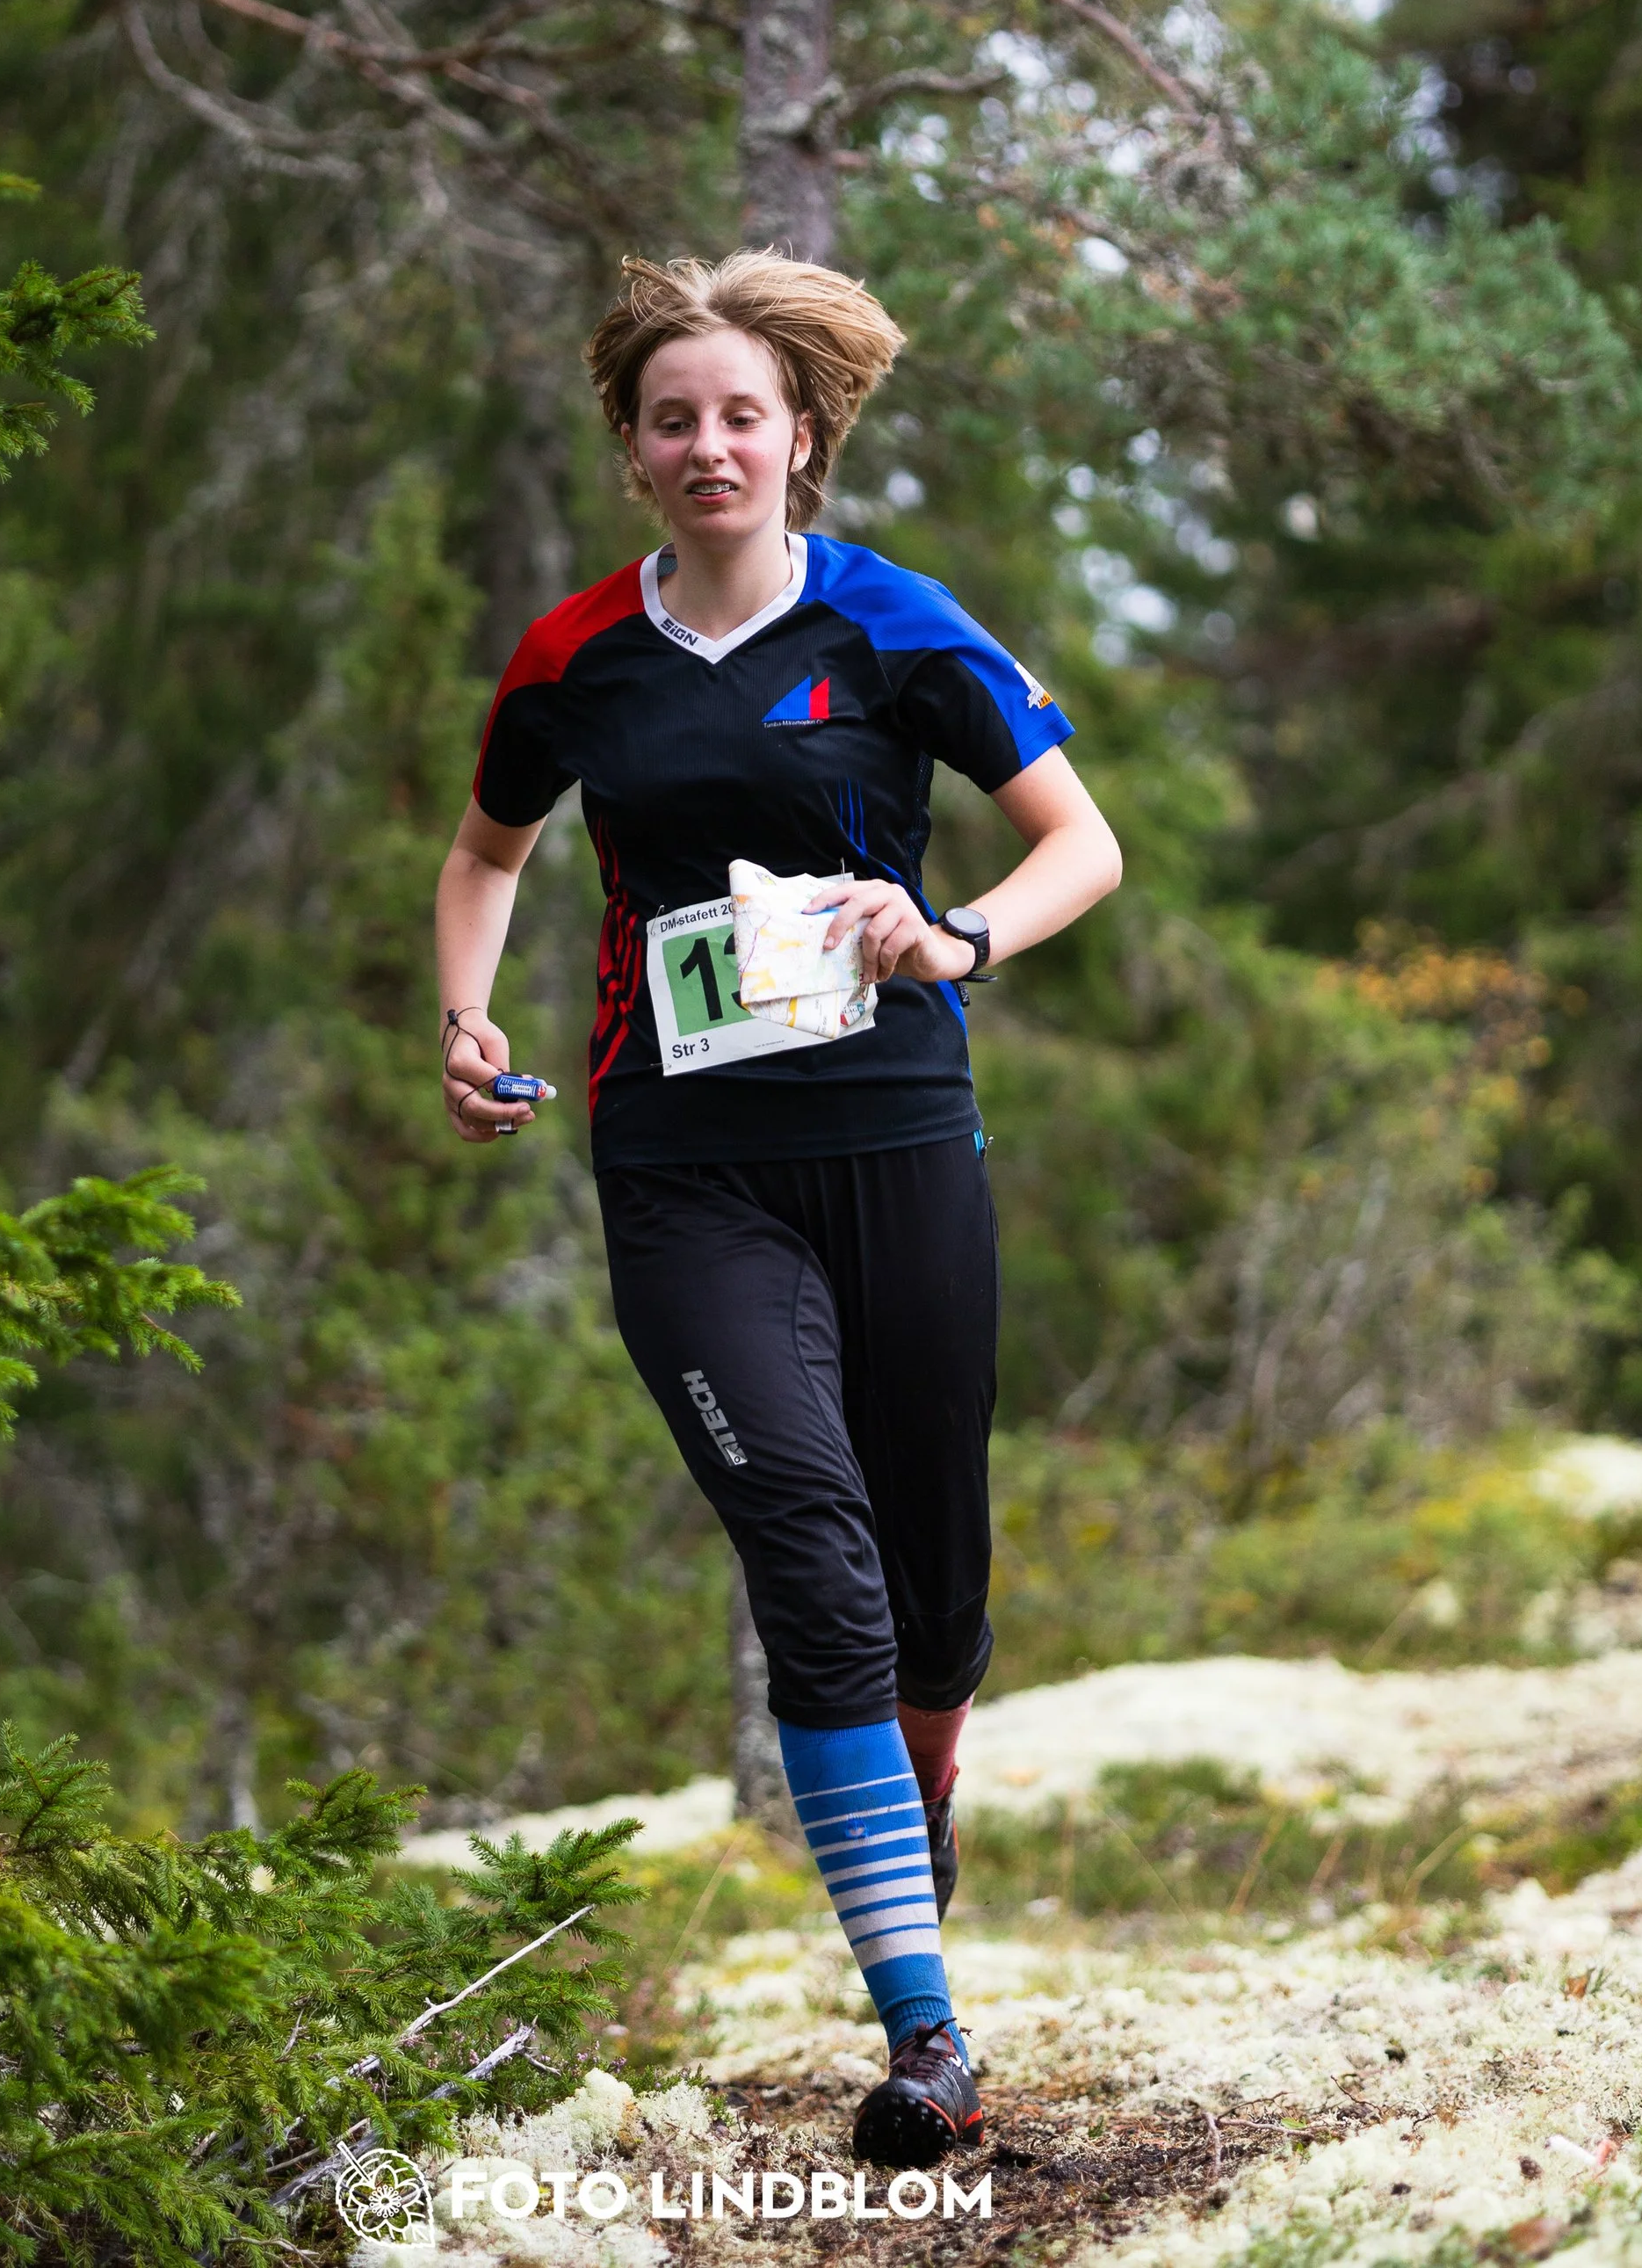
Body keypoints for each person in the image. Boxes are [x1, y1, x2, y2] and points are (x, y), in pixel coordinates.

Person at [434, 252, 1122, 2165]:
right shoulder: (575, 655)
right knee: (806, 1553)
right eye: (674, 418)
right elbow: (487, 849)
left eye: (742, 412)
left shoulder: (892, 624)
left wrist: (954, 928)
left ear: (798, 436)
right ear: (635, 454)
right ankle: (925, 2035)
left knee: (929, 1582)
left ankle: (925, 1771)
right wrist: (465, 1010)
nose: (710, 442)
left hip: (897, 1132)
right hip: (679, 1159)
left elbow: (1083, 840)